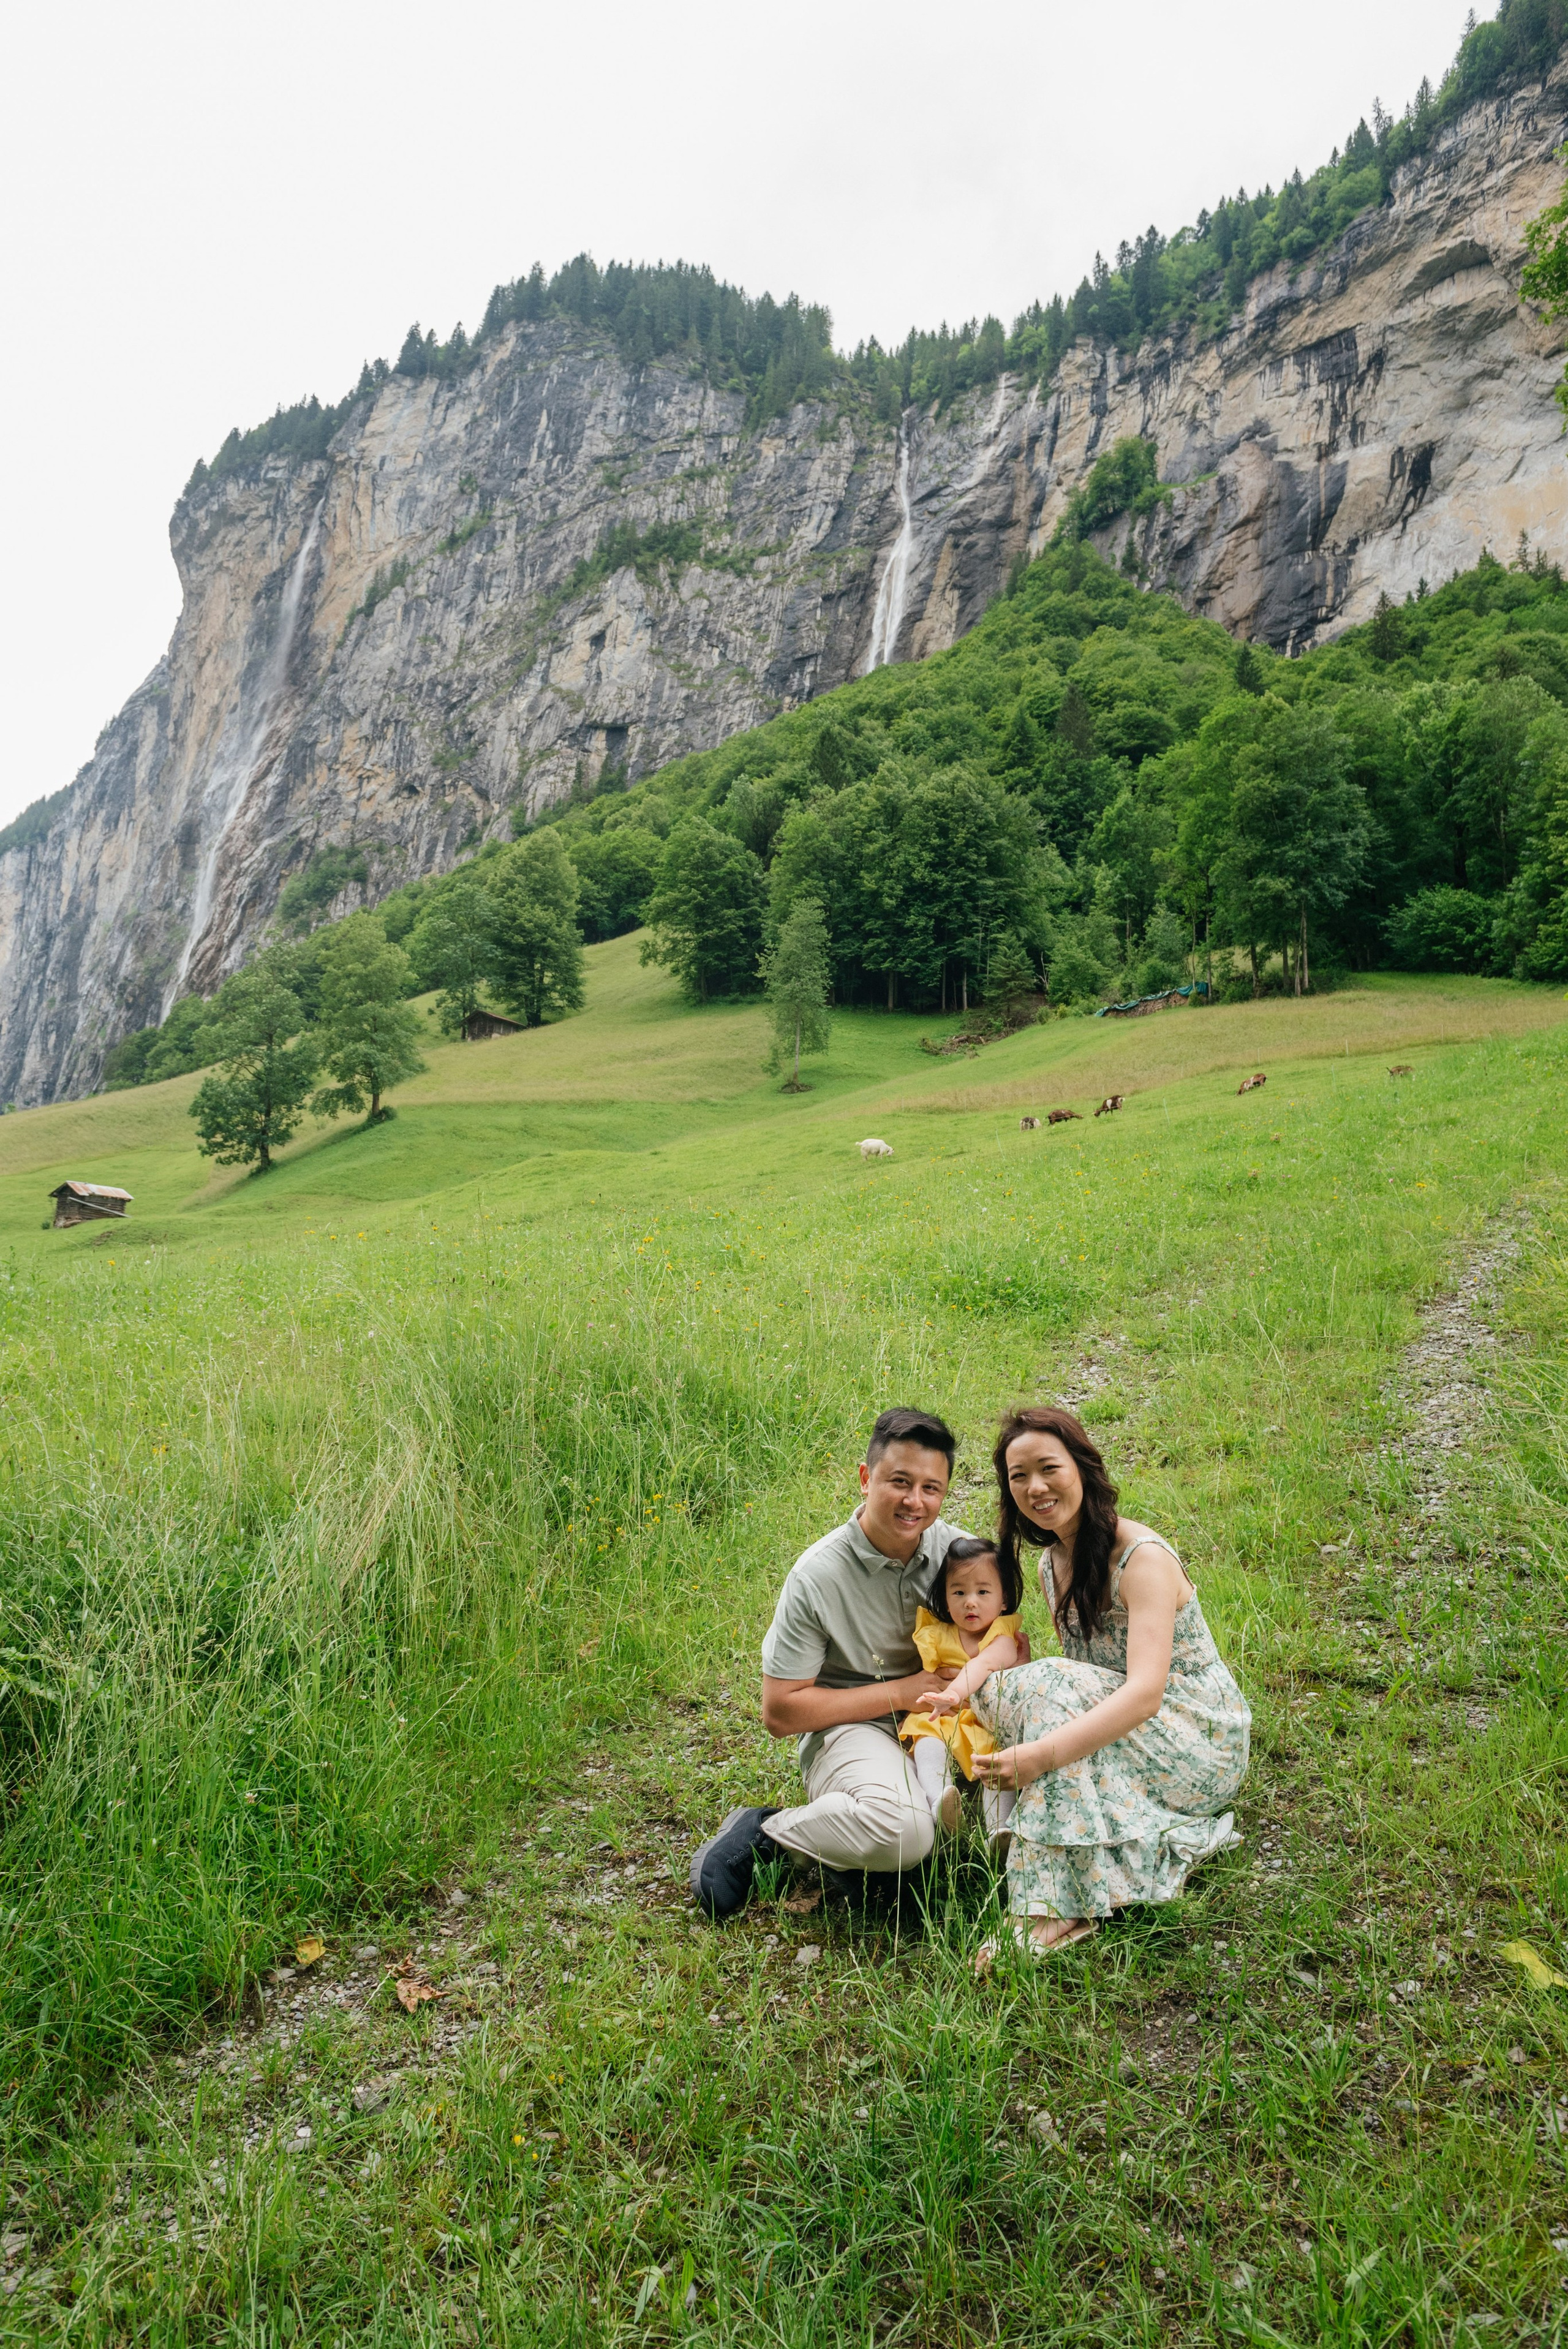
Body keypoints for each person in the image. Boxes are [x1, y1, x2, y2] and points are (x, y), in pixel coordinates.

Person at [690, 1406, 999, 1920]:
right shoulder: (817, 1576)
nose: (914, 1501)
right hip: (852, 1728)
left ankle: (858, 1851)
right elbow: (780, 1712)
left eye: (931, 1488)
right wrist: (903, 1691)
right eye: (899, 1481)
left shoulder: (960, 1556)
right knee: (911, 1834)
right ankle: (771, 1834)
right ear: (865, 1478)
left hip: (942, 1726)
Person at [969, 1406, 1249, 1966]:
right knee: (994, 1687)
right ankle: (1042, 1828)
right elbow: (1086, 1678)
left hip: (1196, 1739)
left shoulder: (1142, 1558)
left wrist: (1044, 1755)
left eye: (1049, 1468)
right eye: (1017, 1476)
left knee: (1046, 1686)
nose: (1035, 1487)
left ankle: (1054, 1905)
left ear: (1083, 1466)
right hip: (1130, 1732)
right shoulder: (1053, 1562)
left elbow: (1145, 1693)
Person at [900, 1537, 1022, 1847]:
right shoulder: (939, 1634)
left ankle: (1000, 1828)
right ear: (945, 1596)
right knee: (928, 1739)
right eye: (959, 1592)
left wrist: (953, 1695)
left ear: (1004, 1599)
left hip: (984, 1722)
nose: (971, 1601)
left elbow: (981, 1666)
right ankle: (941, 1801)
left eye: (983, 1592)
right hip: (944, 1716)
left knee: (996, 1760)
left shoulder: (1003, 1637)